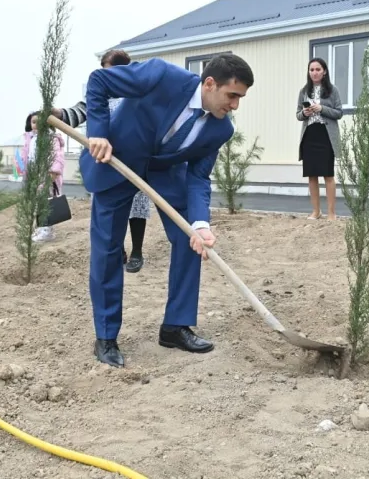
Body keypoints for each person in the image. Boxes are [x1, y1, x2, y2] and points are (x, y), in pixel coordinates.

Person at [82, 53, 254, 367]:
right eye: (232, 96)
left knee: (192, 238)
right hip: (117, 162)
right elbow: (99, 82)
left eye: (240, 98)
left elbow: (198, 176)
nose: (235, 106)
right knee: (107, 249)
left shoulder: (220, 130)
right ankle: (106, 337)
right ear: (210, 83)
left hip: (164, 173)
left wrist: (200, 223)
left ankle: (175, 326)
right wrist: (99, 132)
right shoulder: (161, 76)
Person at [51, 49, 152, 272]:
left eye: (111, 73)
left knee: (137, 208)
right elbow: (77, 113)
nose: (108, 78)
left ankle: (137, 251)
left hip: (134, 164)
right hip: (105, 163)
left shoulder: (136, 96)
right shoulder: (98, 95)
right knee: (108, 211)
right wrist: (58, 113)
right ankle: (118, 250)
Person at [296, 57, 343, 220]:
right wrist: (305, 113)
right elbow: (298, 115)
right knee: (312, 175)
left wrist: (322, 108)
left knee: (328, 174)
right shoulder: (304, 91)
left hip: (326, 135)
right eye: (311, 70)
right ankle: (316, 211)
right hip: (309, 134)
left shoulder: (332, 90)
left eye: (317, 69)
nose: (314, 72)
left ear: (324, 72)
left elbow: (339, 113)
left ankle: (331, 213)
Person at [22, 112, 66, 242]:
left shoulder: (51, 138)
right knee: (38, 203)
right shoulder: (30, 138)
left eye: (40, 122)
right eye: (33, 122)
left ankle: (46, 230)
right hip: (34, 175)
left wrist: (53, 173)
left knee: (46, 202)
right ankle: (42, 228)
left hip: (47, 175)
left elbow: (57, 156)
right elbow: (27, 156)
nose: (36, 125)